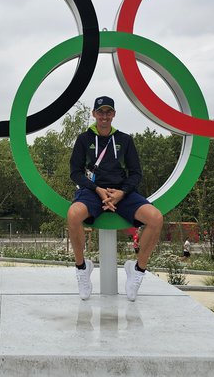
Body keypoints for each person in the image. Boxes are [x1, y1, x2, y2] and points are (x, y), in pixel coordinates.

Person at [67, 96, 163, 301]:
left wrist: (122, 193)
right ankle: (82, 269)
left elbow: (136, 173)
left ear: (113, 114)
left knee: (155, 218)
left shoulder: (124, 139)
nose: (104, 116)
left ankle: (137, 271)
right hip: (93, 191)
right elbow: (75, 173)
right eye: (100, 112)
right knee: (73, 215)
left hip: (122, 193)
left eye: (108, 112)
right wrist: (97, 189)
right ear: (93, 114)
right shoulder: (83, 139)